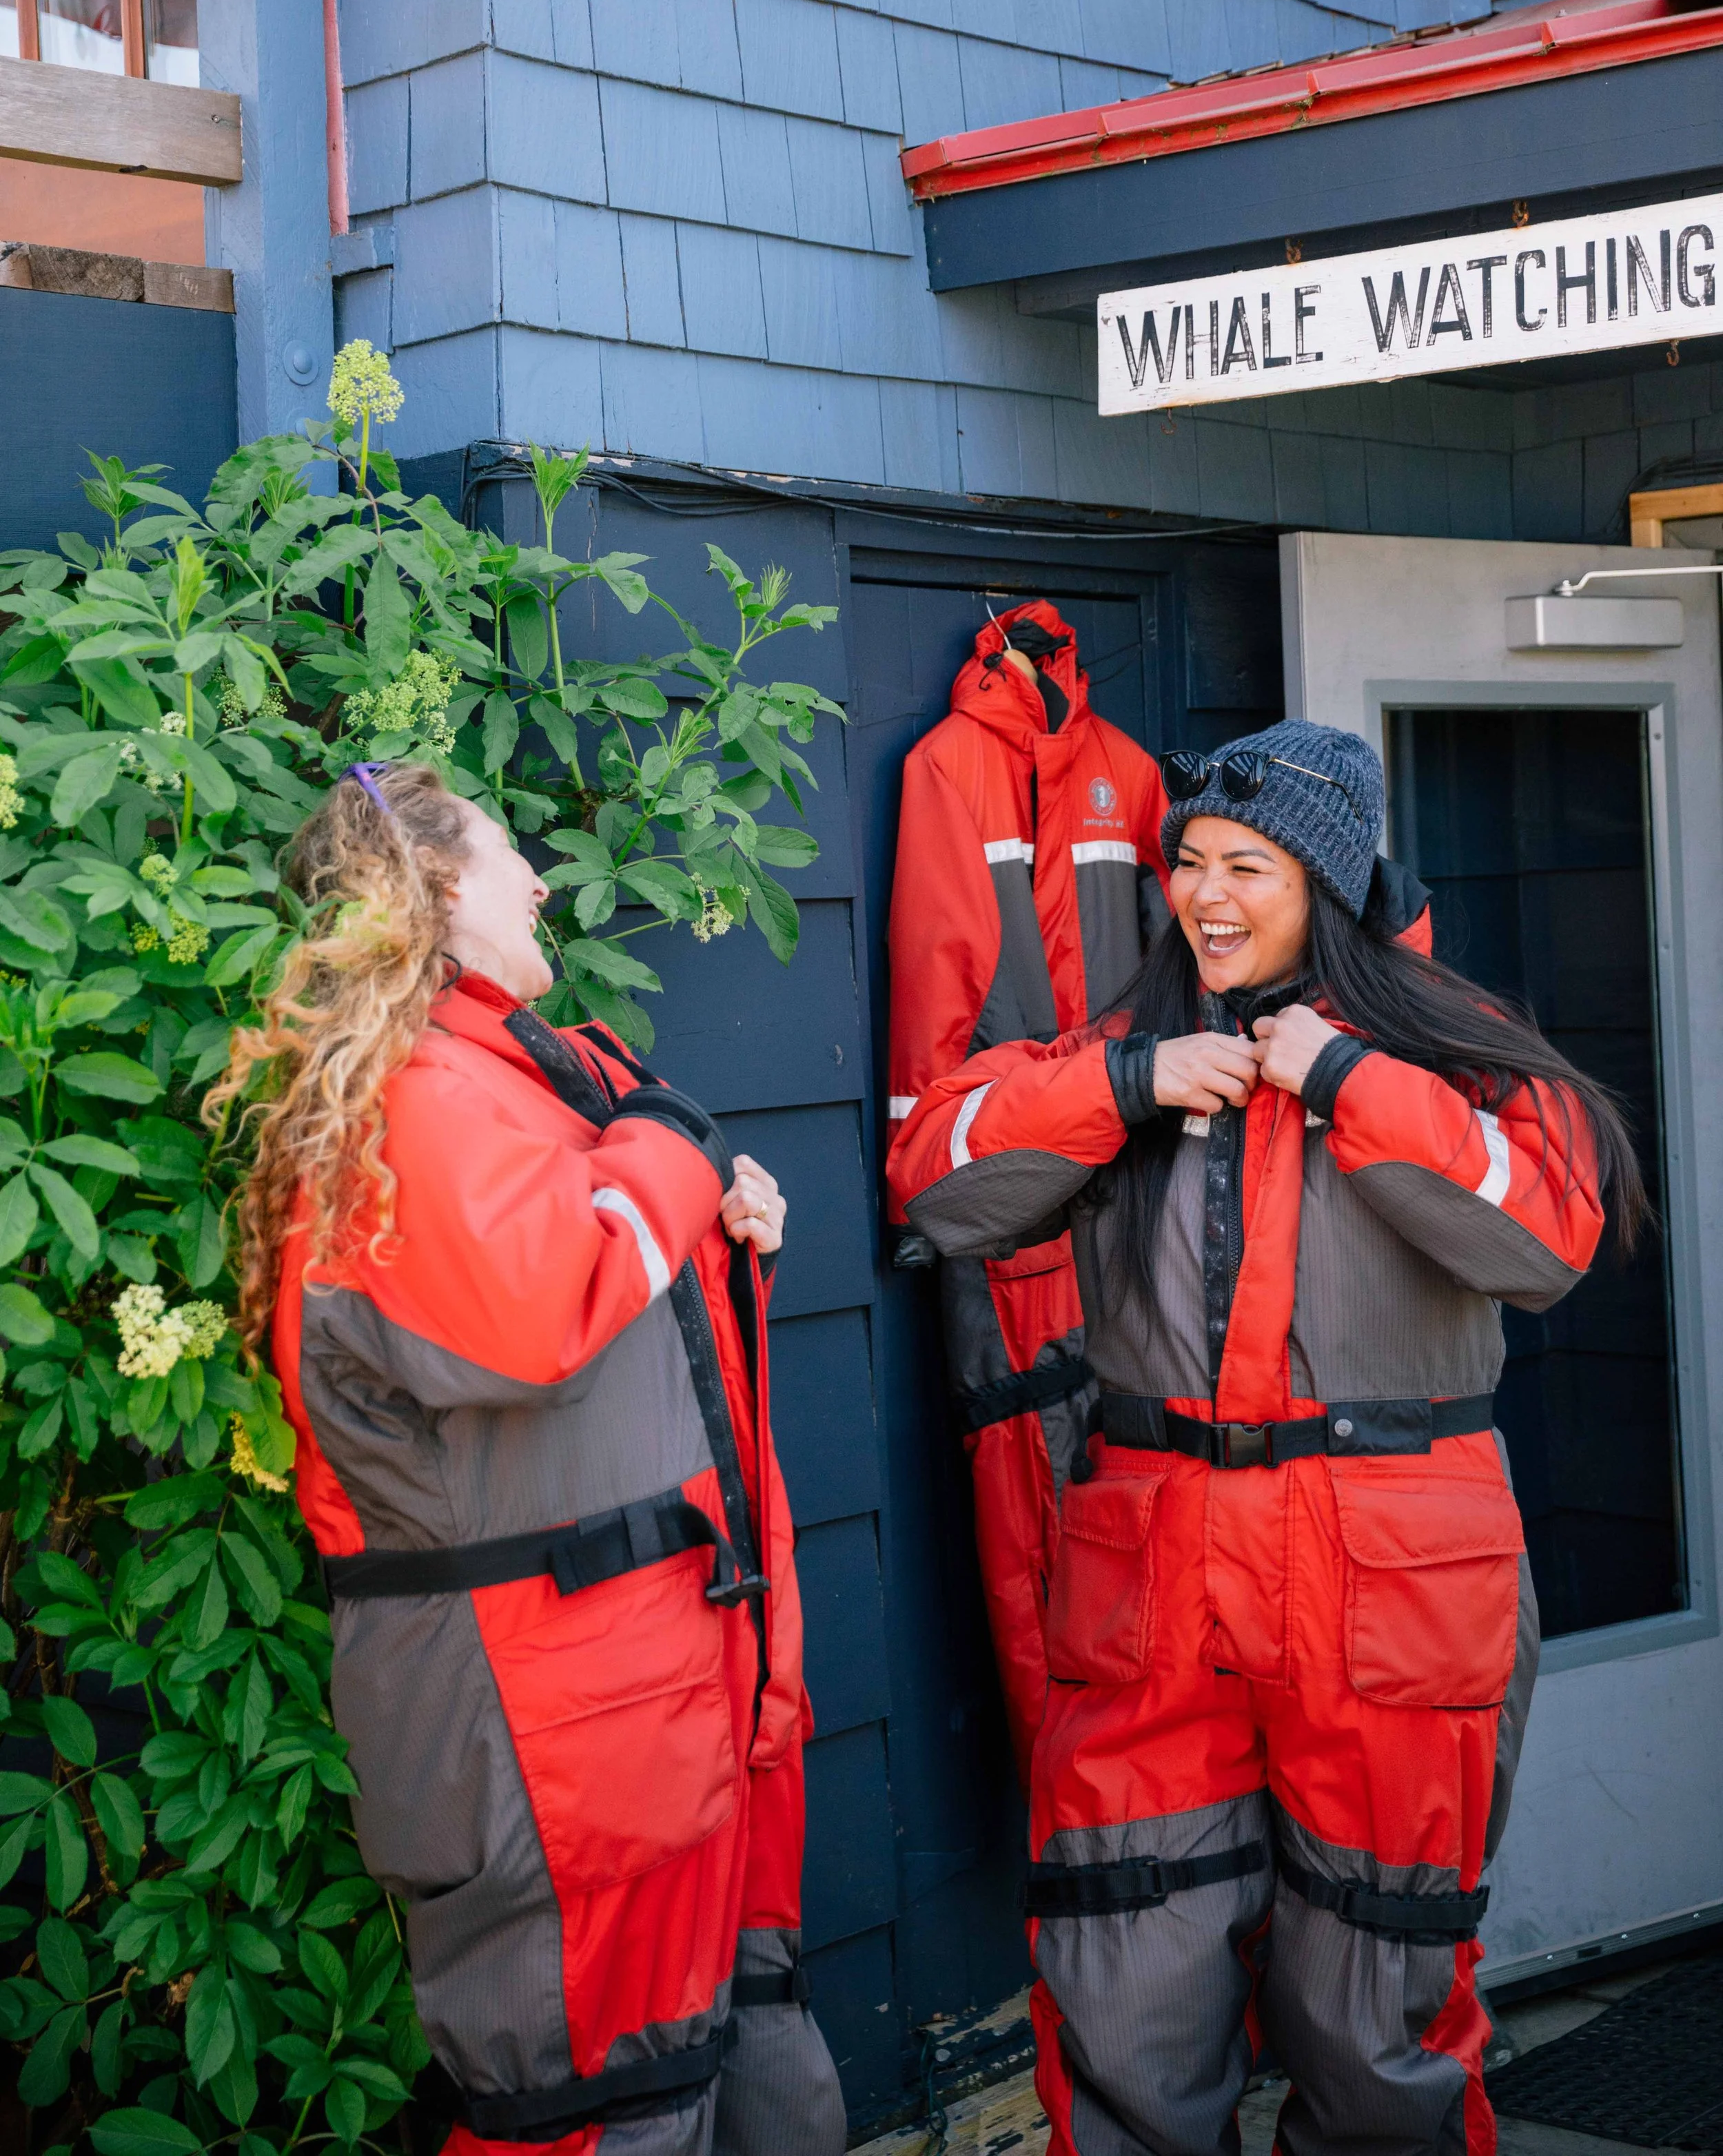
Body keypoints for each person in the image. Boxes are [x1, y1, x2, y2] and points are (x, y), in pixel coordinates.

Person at [887, 721, 1643, 2156]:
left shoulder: (1460, 1054)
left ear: (1333, 884)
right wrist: (1122, 1089)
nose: (1203, 894)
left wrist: (1345, 1078)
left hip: (1387, 1585)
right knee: (1122, 1991)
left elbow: (1541, 1237)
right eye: (1186, 860)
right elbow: (937, 1179)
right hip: (1152, 1579)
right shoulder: (1133, 1043)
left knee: (1374, 2016)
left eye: (1247, 864)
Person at [210, 763, 846, 2156]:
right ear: (443, 888)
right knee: (582, 2115)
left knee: (691, 2080)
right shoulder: (420, 1098)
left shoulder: (502, 1079)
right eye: (516, 859)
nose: (547, 883)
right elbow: (539, 1307)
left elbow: (588, 1321)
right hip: (555, 1734)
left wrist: (714, 1235)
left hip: (635, 1701)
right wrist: (675, 1152)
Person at [885, 602, 1171, 1775]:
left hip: (1143, 1191)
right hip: (1015, 1203)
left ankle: (1152, 1797)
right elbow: (932, 981)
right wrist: (931, 1190)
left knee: (1149, 1484)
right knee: (1031, 1513)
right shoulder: (949, 769)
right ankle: (1081, 1818)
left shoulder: (1131, 774)